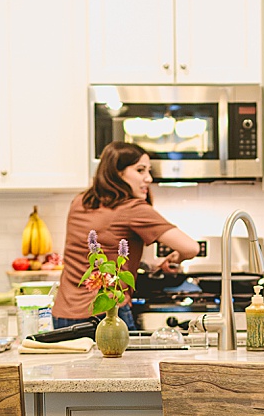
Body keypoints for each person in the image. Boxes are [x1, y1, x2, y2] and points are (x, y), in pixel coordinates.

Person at [52, 141, 199, 330]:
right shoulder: (132, 208)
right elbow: (191, 248)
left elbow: (106, 245)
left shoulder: (80, 201)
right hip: (107, 314)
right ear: (117, 173)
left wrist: (152, 266)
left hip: (63, 315)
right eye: (140, 170)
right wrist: (176, 258)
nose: (148, 179)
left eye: (149, 171)